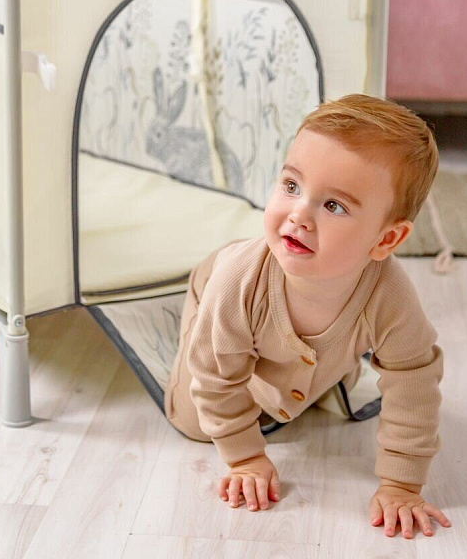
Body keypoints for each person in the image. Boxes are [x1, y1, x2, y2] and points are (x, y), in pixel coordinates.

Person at [164, 94, 452, 539]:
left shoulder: (390, 296)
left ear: (385, 240)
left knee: (319, 382)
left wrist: (401, 484)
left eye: (334, 206)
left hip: (294, 326)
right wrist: (245, 457)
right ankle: (209, 331)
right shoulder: (237, 282)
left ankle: (304, 372)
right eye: (291, 186)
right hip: (216, 294)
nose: (299, 215)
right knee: (195, 418)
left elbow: (413, 380)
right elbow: (216, 379)